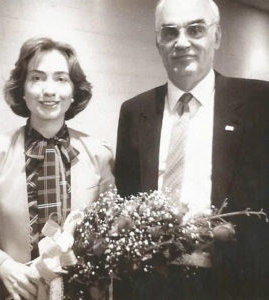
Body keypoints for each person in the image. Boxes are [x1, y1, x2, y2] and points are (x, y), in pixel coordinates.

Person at [115, 0, 269, 299]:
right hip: (152, 283)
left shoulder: (259, 103)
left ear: (217, 36)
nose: (181, 42)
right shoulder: (135, 111)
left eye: (195, 30)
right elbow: (126, 199)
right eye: (169, 32)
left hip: (235, 283)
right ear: (157, 43)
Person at [0, 37, 114, 300]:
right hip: (14, 292)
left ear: (74, 92)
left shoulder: (100, 154)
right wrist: (3, 266)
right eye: (37, 78)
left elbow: (109, 234)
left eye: (61, 79)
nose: (49, 90)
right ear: (22, 90)